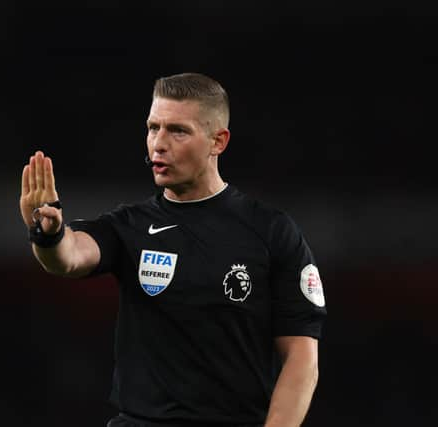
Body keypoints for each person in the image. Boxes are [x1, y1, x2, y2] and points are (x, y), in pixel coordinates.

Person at [19, 73, 327, 427]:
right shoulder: (130, 226)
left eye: (177, 131)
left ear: (218, 141)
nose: (158, 144)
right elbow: (68, 257)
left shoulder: (271, 232)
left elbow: (302, 357)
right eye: (153, 128)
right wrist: (47, 234)